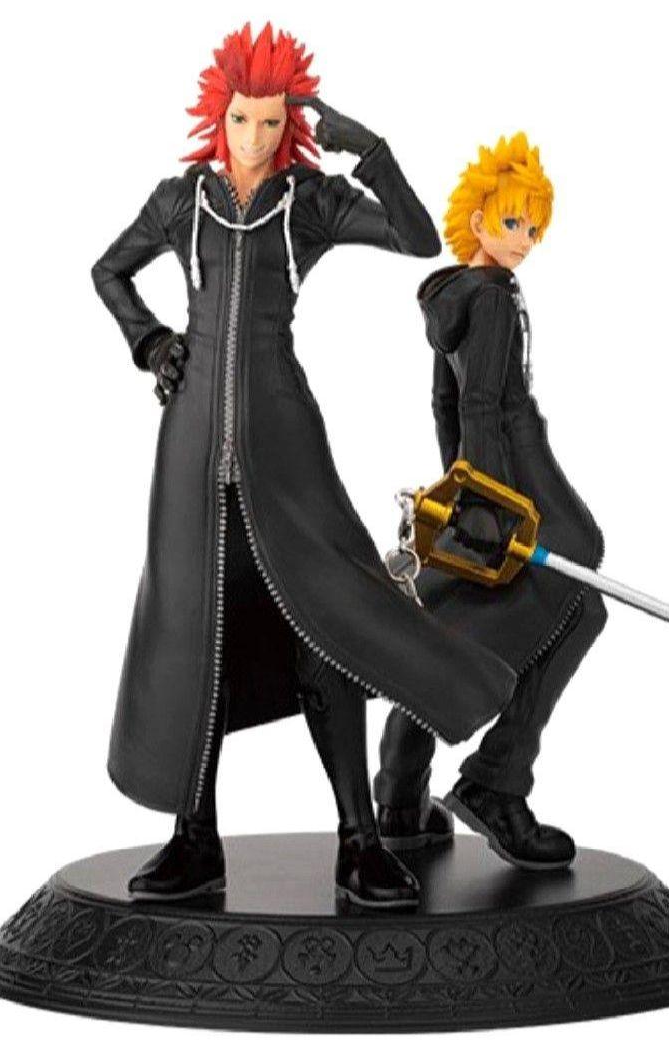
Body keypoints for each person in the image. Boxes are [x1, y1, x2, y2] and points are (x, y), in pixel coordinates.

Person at [91, 24, 515, 907]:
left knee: (331, 619)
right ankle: (194, 837)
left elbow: (416, 237)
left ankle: (360, 839)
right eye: (241, 119)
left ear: (291, 126)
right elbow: (109, 272)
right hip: (191, 452)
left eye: (271, 122)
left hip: (286, 447)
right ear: (218, 117)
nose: (254, 138)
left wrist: (370, 150)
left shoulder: (308, 204)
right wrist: (152, 343)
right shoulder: (180, 202)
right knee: (195, 634)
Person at [374, 133, 607, 870]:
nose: (525, 241)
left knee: (462, 620)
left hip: (484, 474)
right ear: (477, 219)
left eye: (534, 228)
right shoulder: (495, 299)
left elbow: (443, 403)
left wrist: (462, 488)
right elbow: (477, 402)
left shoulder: (452, 297)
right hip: (514, 467)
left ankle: (400, 794)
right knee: (579, 587)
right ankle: (496, 783)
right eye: (512, 223)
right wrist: (493, 506)